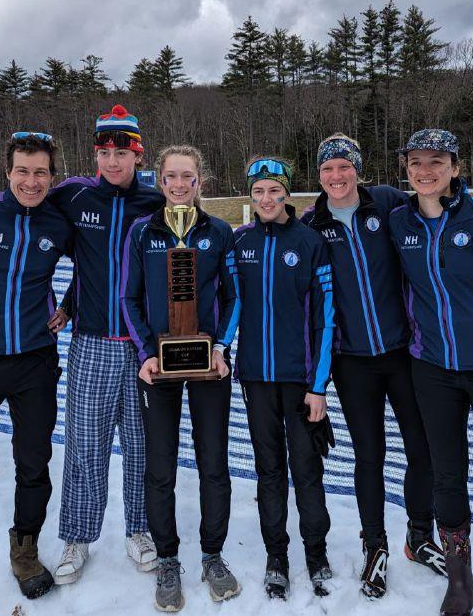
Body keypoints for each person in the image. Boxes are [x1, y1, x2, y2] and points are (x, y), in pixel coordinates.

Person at [302, 133, 445, 599]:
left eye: (344, 166)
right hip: (352, 361)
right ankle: (374, 543)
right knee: (370, 454)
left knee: (420, 447)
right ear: (318, 175)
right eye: (328, 168)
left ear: (358, 169)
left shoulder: (386, 203)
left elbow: (431, 212)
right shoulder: (312, 223)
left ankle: (419, 535)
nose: (337, 176)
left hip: (403, 351)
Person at [121, 145, 241, 612]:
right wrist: (146, 353)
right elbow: (129, 298)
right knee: (160, 465)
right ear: (160, 180)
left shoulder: (219, 231)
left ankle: (213, 554)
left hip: (209, 364)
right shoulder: (142, 231)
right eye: (170, 176)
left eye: (186, 176)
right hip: (159, 367)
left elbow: (233, 297)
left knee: (213, 461)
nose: (178, 184)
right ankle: (168, 559)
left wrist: (221, 347)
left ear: (199, 181)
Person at [48, 105, 165, 584]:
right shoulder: (75, 196)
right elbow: (27, 214)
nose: (112, 161)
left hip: (142, 347)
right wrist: (67, 302)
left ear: (138, 155)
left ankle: (140, 529)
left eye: (122, 152)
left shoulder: (155, 201)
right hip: (92, 342)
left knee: (142, 445)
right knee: (85, 444)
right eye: (104, 152)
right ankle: (77, 536)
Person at [389, 128, 473, 616]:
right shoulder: (398, 221)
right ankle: (460, 573)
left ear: (455, 167)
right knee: (447, 472)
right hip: (431, 367)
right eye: (415, 163)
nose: (425, 171)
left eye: (436, 162)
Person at [234, 157, 334, 601]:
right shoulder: (241, 241)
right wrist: (220, 347)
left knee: (307, 469)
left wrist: (319, 385)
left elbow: (326, 318)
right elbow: (232, 303)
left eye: (274, 190)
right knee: (269, 469)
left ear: (287, 193)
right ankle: (277, 555)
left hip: (299, 380)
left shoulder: (309, 242)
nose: (266, 198)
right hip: (255, 378)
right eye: (258, 191)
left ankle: (316, 552)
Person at [0, 133, 73, 599]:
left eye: (41, 172)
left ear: (52, 177)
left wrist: (71, 303)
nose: (31, 181)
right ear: (8, 172)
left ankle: (24, 549)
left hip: (36, 359)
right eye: (23, 170)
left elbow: (97, 265)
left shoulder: (57, 223)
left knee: (33, 461)